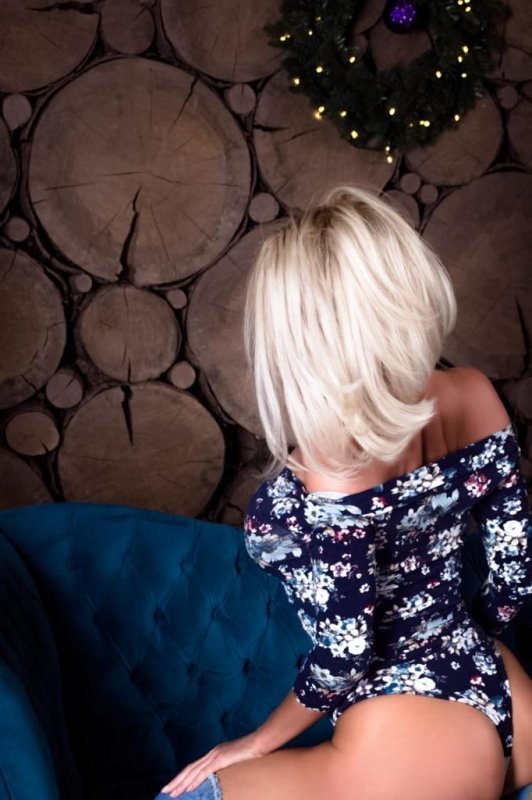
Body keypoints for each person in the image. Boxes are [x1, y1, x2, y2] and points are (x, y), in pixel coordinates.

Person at [156, 185, 532, 800]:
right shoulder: (476, 392)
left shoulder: (335, 464)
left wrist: (256, 741)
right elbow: (513, 580)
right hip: (508, 691)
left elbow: (347, 651)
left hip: (408, 728)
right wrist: (459, 645)